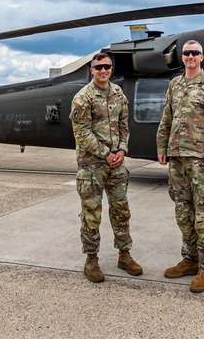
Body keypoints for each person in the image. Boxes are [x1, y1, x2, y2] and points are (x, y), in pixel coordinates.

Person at [157, 40, 204, 293]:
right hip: (176, 159)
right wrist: (162, 147)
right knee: (182, 213)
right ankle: (190, 259)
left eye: (194, 53)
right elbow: (167, 117)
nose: (189, 56)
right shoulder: (174, 84)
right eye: (186, 53)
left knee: (203, 214)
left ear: (201, 57)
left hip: (200, 160)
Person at [70, 51, 143, 282]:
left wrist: (121, 150)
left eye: (107, 67)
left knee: (121, 210)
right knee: (92, 213)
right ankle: (91, 259)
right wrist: (106, 154)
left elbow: (124, 125)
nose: (104, 71)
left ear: (112, 69)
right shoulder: (83, 97)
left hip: (116, 165)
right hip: (92, 166)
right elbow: (81, 133)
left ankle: (124, 254)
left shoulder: (118, 93)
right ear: (92, 70)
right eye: (99, 67)